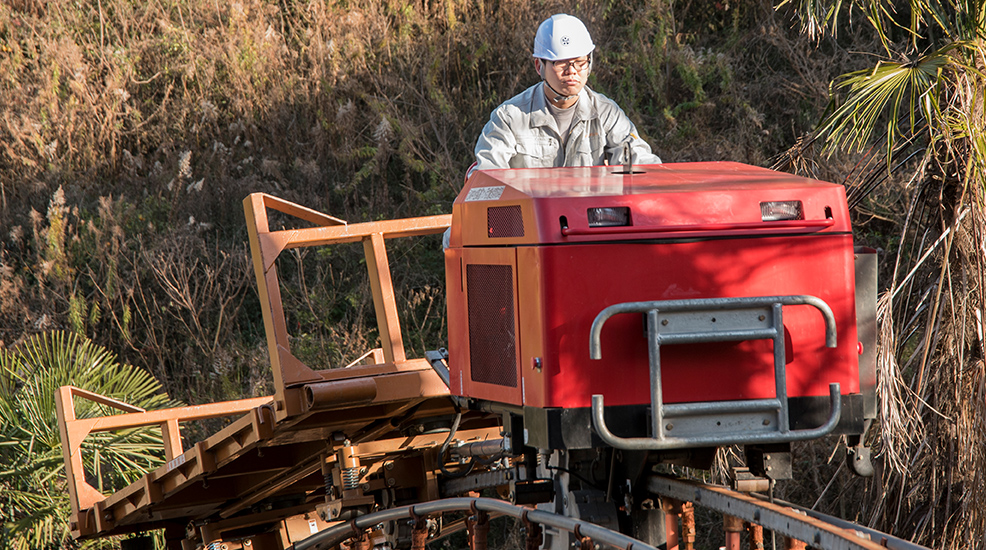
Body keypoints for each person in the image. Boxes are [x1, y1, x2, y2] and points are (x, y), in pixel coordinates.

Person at [471, 13, 661, 174]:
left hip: (587, 216)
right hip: (532, 217)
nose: (572, 71)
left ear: (590, 63)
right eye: (560, 63)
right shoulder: (509, 118)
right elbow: (488, 176)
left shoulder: (606, 114)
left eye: (580, 62)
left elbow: (641, 163)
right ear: (539, 66)